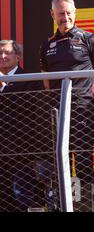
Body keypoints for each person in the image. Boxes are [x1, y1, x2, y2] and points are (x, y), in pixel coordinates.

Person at [39, 0, 94, 203]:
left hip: (83, 109)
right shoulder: (46, 45)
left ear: (75, 13)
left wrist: (91, 100)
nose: (65, 17)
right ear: (52, 14)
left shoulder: (89, 38)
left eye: (69, 13)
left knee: (83, 160)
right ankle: (65, 204)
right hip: (56, 112)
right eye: (60, 13)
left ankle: (91, 206)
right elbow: (45, 80)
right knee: (58, 161)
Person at [0, 40, 44, 211]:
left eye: (7, 53)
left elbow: (27, 106)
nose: (2, 57)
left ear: (17, 56)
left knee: (20, 198)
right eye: (0, 53)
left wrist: (4, 89)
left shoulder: (30, 80)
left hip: (19, 151)